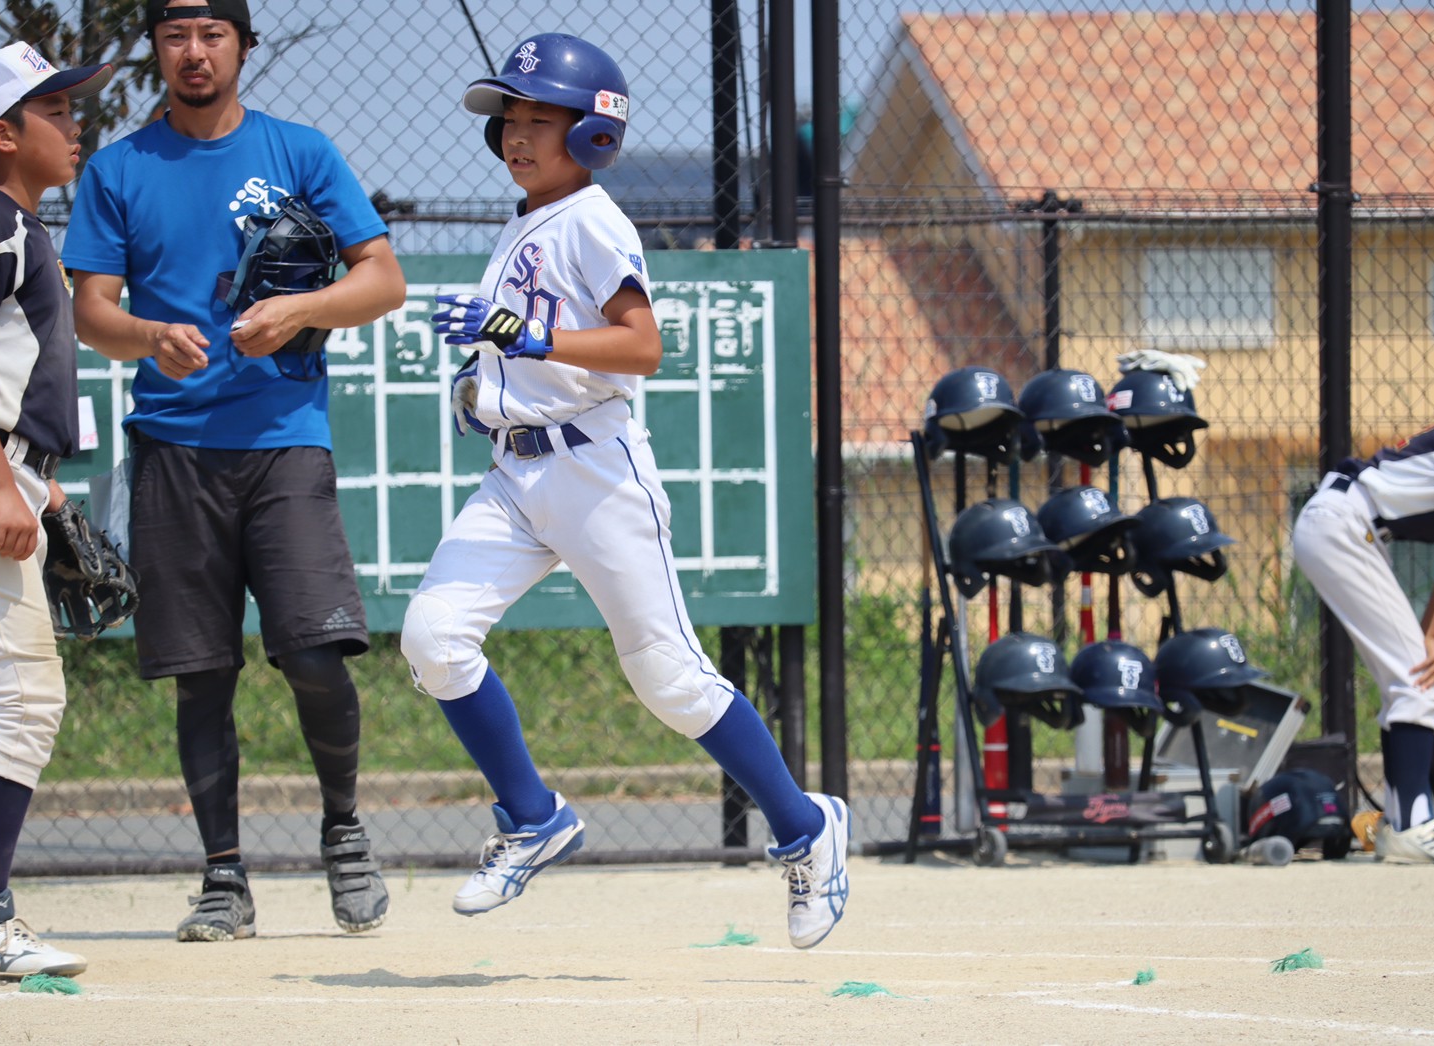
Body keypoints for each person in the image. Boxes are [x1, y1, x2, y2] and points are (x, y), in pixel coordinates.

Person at [401, 33, 851, 950]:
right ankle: (533, 817)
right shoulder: (526, 222)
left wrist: (523, 339)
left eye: (539, 118)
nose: (516, 134)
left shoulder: (592, 220)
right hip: (518, 472)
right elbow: (530, 344)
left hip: (596, 474)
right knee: (433, 637)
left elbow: (642, 347)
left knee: (668, 679)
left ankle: (807, 828)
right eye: (509, 119)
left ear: (592, 134)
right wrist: (486, 386)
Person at [62, 0, 406, 941]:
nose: (194, 51)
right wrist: (146, 336)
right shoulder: (118, 169)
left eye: (212, 34)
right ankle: (223, 878)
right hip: (172, 448)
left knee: (315, 654)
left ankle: (344, 831)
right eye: (176, 36)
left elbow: (382, 279)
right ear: (156, 50)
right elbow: (92, 310)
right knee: (201, 674)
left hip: (285, 438)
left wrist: (300, 310)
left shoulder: (300, 152)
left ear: (243, 47)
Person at [0, 41, 113, 985]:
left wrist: (38, 483)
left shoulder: (18, 228)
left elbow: (1, 382)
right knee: (25, 700)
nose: (74, 122)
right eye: (54, 109)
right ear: (4, 135)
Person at [1292, 376, 1434, 864]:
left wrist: (1431, 633)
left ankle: (1401, 822)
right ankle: (1413, 825)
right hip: (1343, 523)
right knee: (1419, 673)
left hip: (1350, 526)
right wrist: (1433, 635)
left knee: (1411, 673)